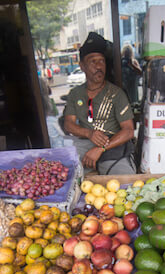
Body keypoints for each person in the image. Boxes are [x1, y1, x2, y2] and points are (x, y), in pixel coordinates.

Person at [64, 32, 136, 175]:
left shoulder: (116, 93)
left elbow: (128, 130)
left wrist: (100, 149)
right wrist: (89, 133)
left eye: (101, 61)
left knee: (125, 183)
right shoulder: (75, 94)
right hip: (84, 144)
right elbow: (68, 124)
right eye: (93, 61)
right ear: (82, 66)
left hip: (113, 144)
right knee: (64, 177)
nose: (99, 66)